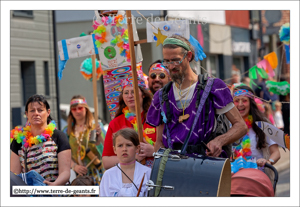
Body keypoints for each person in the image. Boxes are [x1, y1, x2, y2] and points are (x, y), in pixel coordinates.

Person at [146, 34, 247, 157]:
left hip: (206, 165)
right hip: (174, 167)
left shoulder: (213, 87)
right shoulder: (161, 96)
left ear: (188, 56)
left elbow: (241, 126)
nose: (171, 66)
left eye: (176, 60)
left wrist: (219, 141)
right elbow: (160, 142)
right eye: (167, 61)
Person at [10, 94, 71, 185]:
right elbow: (14, 175)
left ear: (48, 112)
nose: (36, 113)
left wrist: (54, 185)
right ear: (26, 114)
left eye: (40, 110)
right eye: (32, 110)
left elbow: (65, 172)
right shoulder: (19, 140)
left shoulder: (58, 137)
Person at [102, 76, 156, 169]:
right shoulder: (115, 123)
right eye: (126, 93)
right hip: (128, 177)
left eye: (134, 91)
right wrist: (132, 158)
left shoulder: (156, 118)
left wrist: (154, 151)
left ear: (143, 94)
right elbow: (106, 162)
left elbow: (171, 151)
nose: (130, 96)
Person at [232, 86, 280, 171]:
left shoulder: (264, 124)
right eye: (236, 101)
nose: (240, 104)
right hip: (235, 177)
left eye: (244, 100)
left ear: (251, 103)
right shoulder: (227, 125)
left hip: (258, 177)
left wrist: (268, 162)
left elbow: (276, 152)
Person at [63, 95, 106, 185]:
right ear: (71, 111)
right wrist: (74, 166)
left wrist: (100, 137)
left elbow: (107, 148)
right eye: (74, 109)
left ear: (86, 109)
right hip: (77, 175)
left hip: (96, 173)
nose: (77, 111)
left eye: (80, 108)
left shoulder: (96, 127)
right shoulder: (67, 131)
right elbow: (64, 154)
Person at [100, 128, 151, 197]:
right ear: (114, 149)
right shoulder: (108, 175)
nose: (124, 149)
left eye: (128, 145)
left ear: (137, 148)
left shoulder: (147, 173)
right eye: (120, 145)